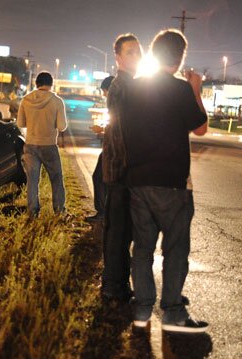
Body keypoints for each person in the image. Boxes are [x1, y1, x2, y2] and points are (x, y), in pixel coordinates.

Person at [124, 29, 208, 332]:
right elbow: (200, 129)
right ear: (180, 57)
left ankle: (142, 309)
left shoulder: (134, 89)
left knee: (143, 248)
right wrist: (195, 88)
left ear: (153, 52)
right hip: (172, 183)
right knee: (175, 249)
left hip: (138, 180)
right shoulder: (181, 90)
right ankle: (172, 312)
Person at [100, 34, 142, 302]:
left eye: (138, 51)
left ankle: (116, 285)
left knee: (122, 231)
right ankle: (113, 286)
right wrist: (128, 168)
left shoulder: (129, 84)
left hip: (121, 170)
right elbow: (120, 133)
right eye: (130, 52)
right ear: (118, 57)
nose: (136, 56)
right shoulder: (122, 86)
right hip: (122, 172)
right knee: (119, 233)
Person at [17, 71, 68, 217]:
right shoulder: (57, 101)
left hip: (31, 144)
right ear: (51, 84)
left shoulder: (25, 100)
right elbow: (62, 126)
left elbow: (20, 123)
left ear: (36, 84)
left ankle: (33, 212)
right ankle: (59, 211)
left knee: (32, 180)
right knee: (56, 178)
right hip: (49, 145)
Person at [89, 76, 115, 221]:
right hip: (113, 146)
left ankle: (103, 213)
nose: (104, 94)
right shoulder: (122, 102)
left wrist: (102, 131)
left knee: (99, 177)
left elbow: (117, 128)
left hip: (112, 147)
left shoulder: (116, 104)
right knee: (106, 180)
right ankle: (107, 212)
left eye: (104, 91)